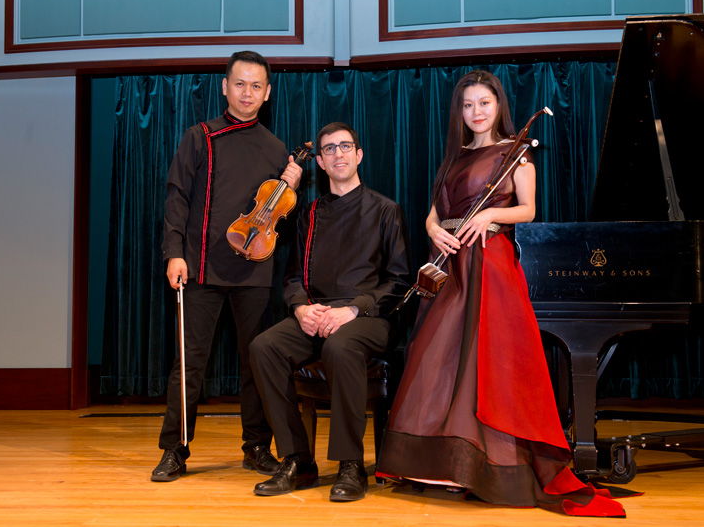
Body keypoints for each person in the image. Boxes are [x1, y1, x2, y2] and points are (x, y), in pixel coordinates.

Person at [376, 70, 626, 517]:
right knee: (437, 362)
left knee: (481, 365)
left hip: (489, 265)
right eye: (468, 105)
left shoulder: (516, 154)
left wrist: (490, 212)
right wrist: (435, 231)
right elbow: (434, 214)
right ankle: (436, 467)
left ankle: (483, 467)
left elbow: (528, 210)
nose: (476, 112)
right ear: (460, 111)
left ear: (498, 106)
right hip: (448, 263)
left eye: (484, 103)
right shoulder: (452, 158)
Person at [152, 51, 303, 482]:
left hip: (254, 271)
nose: (247, 93)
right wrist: (174, 252)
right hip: (199, 268)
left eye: (256, 86)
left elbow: (280, 216)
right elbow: (176, 196)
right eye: (240, 84)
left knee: (256, 361)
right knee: (189, 363)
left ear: (268, 93)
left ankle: (256, 447)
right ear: (225, 87)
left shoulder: (277, 149)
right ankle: (174, 449)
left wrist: (291, 186)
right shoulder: (199, 136)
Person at [248, 122, 412, 502]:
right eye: (329, 150)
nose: (338, 154)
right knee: (264, 347)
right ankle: (298, 460)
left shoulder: (386, 210)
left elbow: (399, 281)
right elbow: (291, 277)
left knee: (340, 347)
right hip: (316, 313)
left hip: (367, 319)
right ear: (319, 162)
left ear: (359, 155)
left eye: (345, 147)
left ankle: (350, 464)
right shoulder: (308, 214)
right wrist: (300, 308)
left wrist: (354, 310)